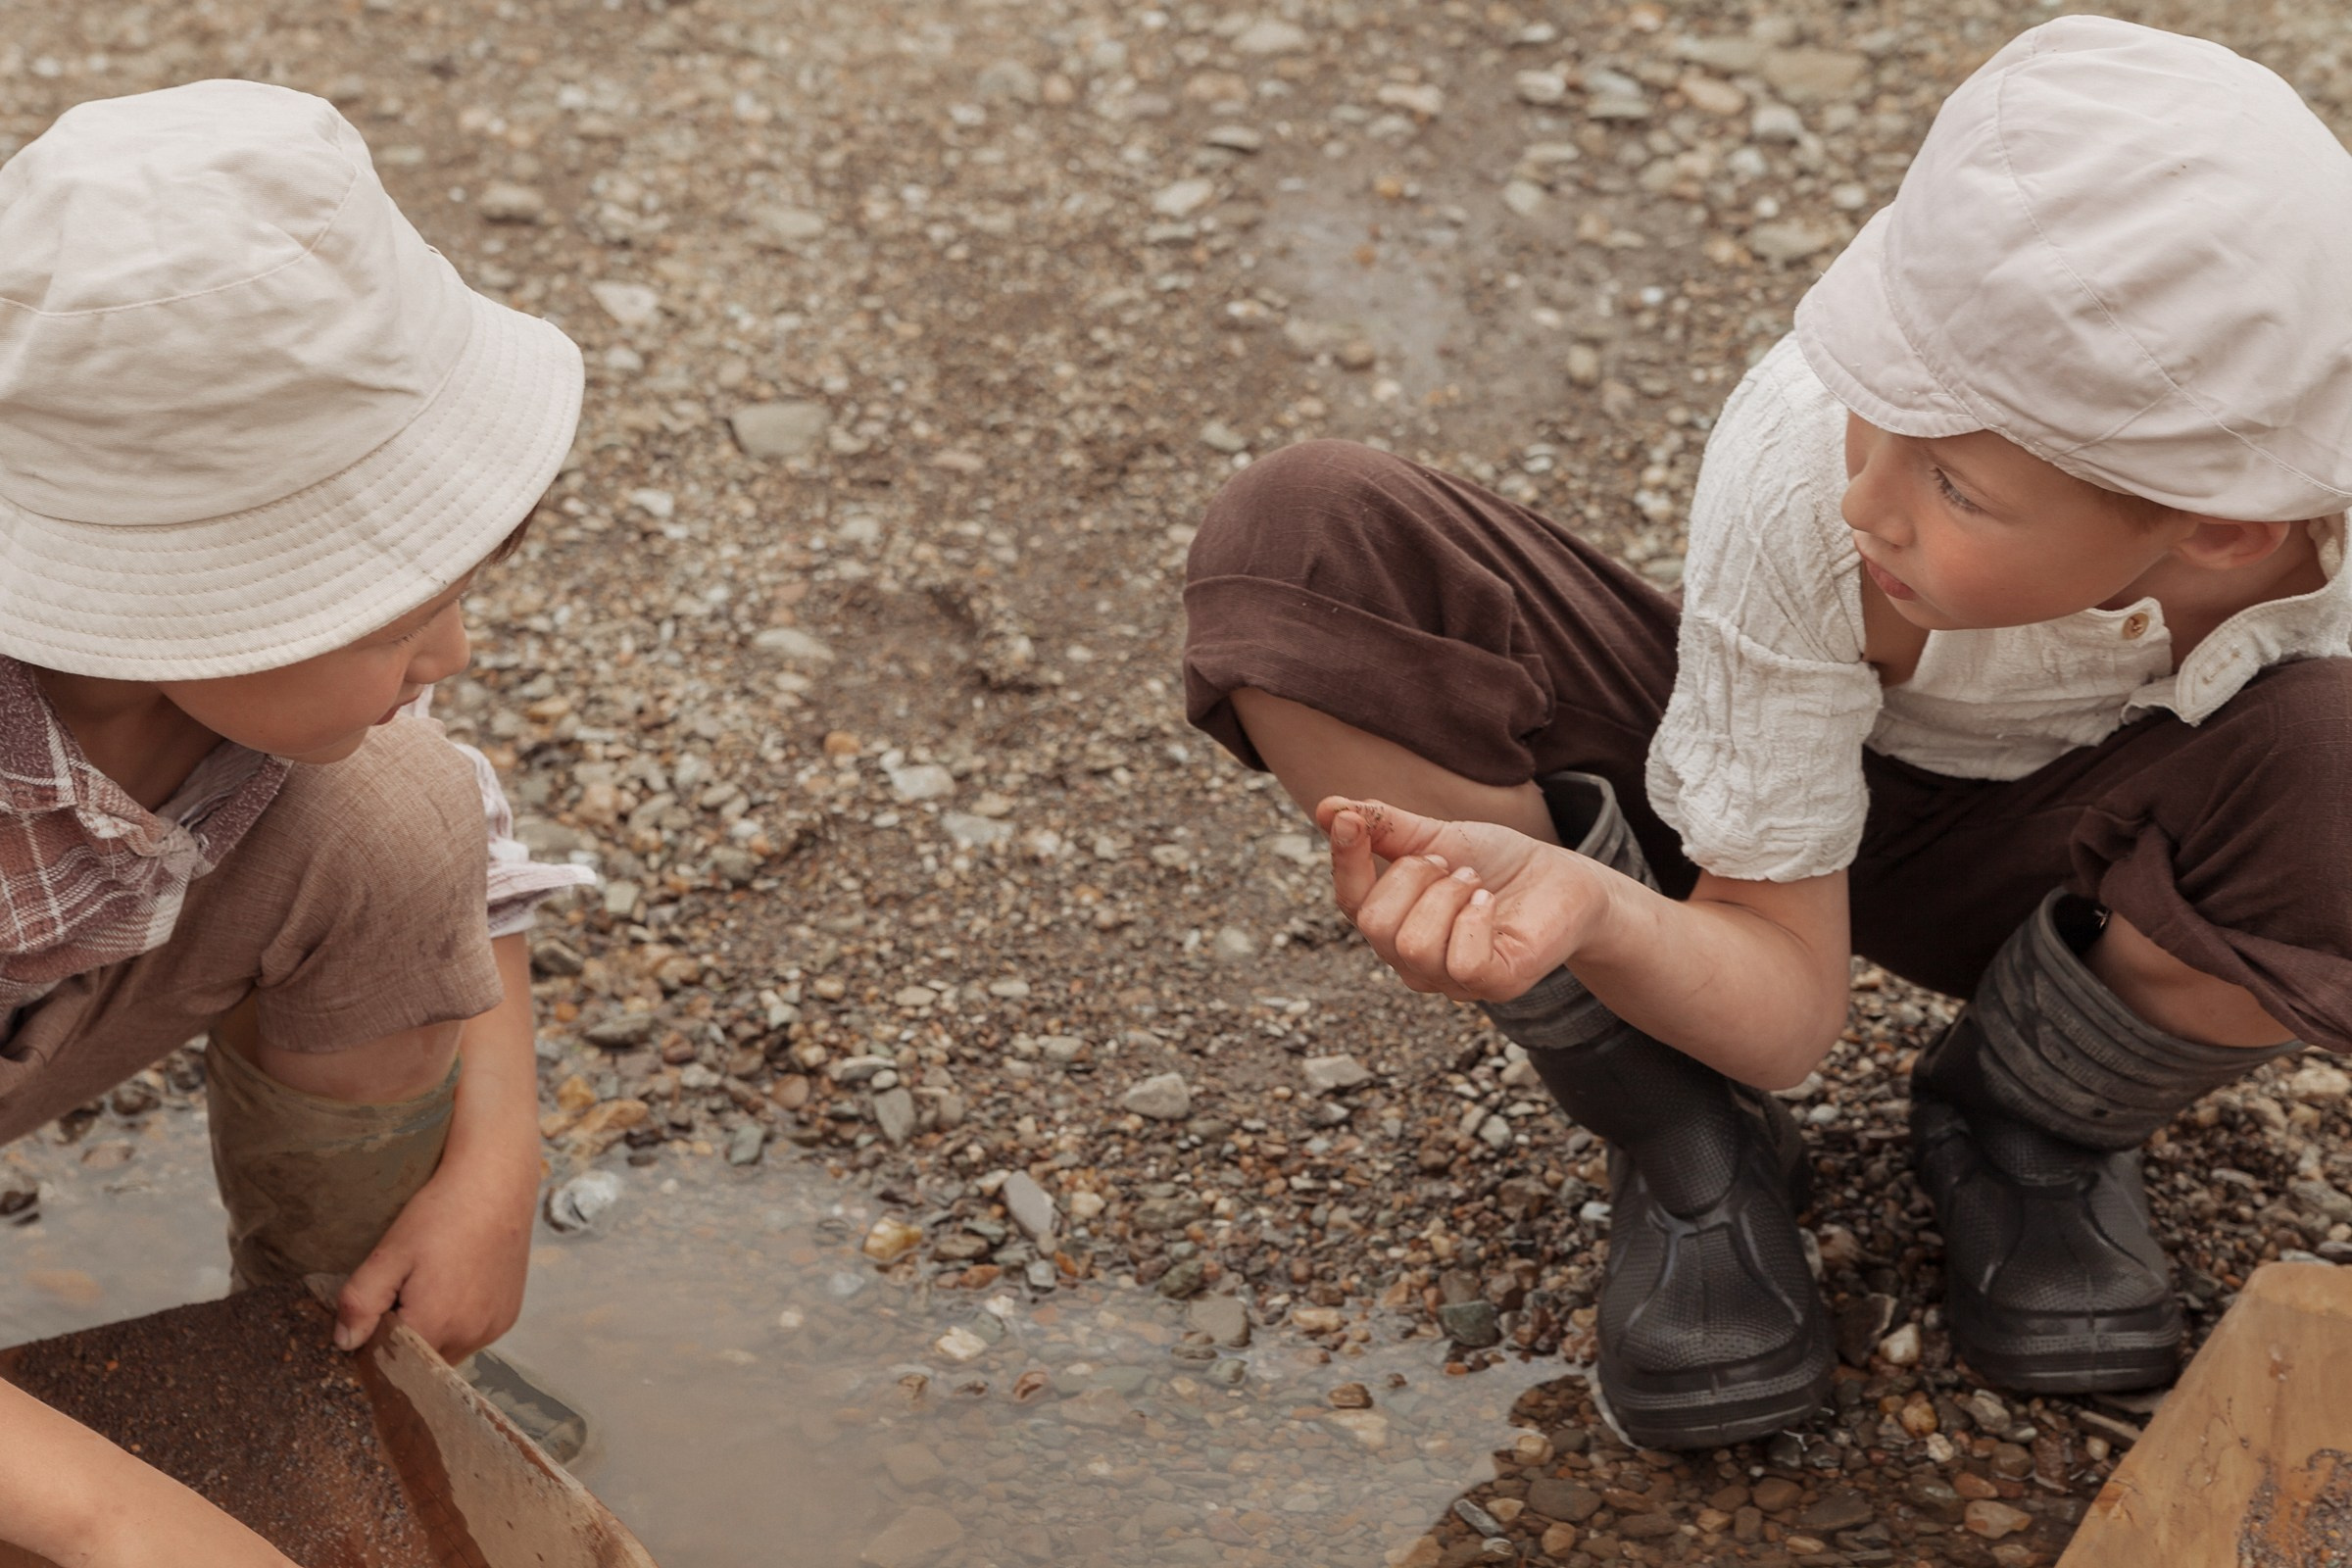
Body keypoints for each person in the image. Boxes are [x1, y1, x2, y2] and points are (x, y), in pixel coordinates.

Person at [1182, 16, 2351, 1449]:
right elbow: (1789, 1014)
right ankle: (1685, 1133)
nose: (1869, 496)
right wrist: (1593, 912)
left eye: (1957, 487)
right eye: (1881, 397)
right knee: (1304, 539)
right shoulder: (1818, 479)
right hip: (1730, 817)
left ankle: (2032, 1123)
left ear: (2225, 532)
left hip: (2074, 874)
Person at [0, 81, 591, 1562]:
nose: (450, 653)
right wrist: (114, 1520)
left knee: (396, 821)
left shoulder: (252, 694)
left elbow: (473, 847)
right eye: (399, 608)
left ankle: (347, 1347)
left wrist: (496, 1159)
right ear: (168, 604)